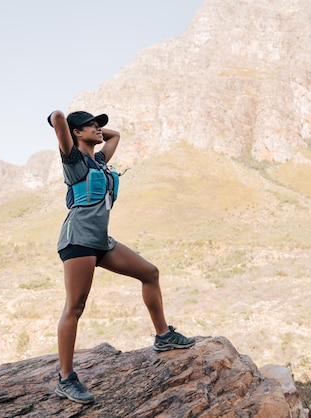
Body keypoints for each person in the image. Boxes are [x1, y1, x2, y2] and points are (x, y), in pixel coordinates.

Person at [47, 110, 195, 404]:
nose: (100, 129)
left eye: (99, 124)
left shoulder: (98, 161)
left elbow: (115, 136)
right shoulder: (73, 161)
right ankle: (65, 379)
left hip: (101, 242)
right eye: (91, 125)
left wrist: (95, 130)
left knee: (150, 273)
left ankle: (163, 336)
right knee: (75, 306)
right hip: (78, 241)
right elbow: (60, 119)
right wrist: (60, 120)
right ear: (76, 132)